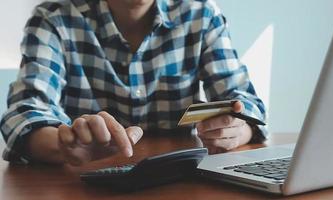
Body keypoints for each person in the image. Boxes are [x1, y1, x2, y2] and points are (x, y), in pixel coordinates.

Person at [0, 0, 267, 166]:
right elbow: (24, 113)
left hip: (179, 180)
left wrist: (236, 131)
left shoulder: (202, 15)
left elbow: (245, 102)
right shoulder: (54, 18)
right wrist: (65, 145)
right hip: (82, 181)